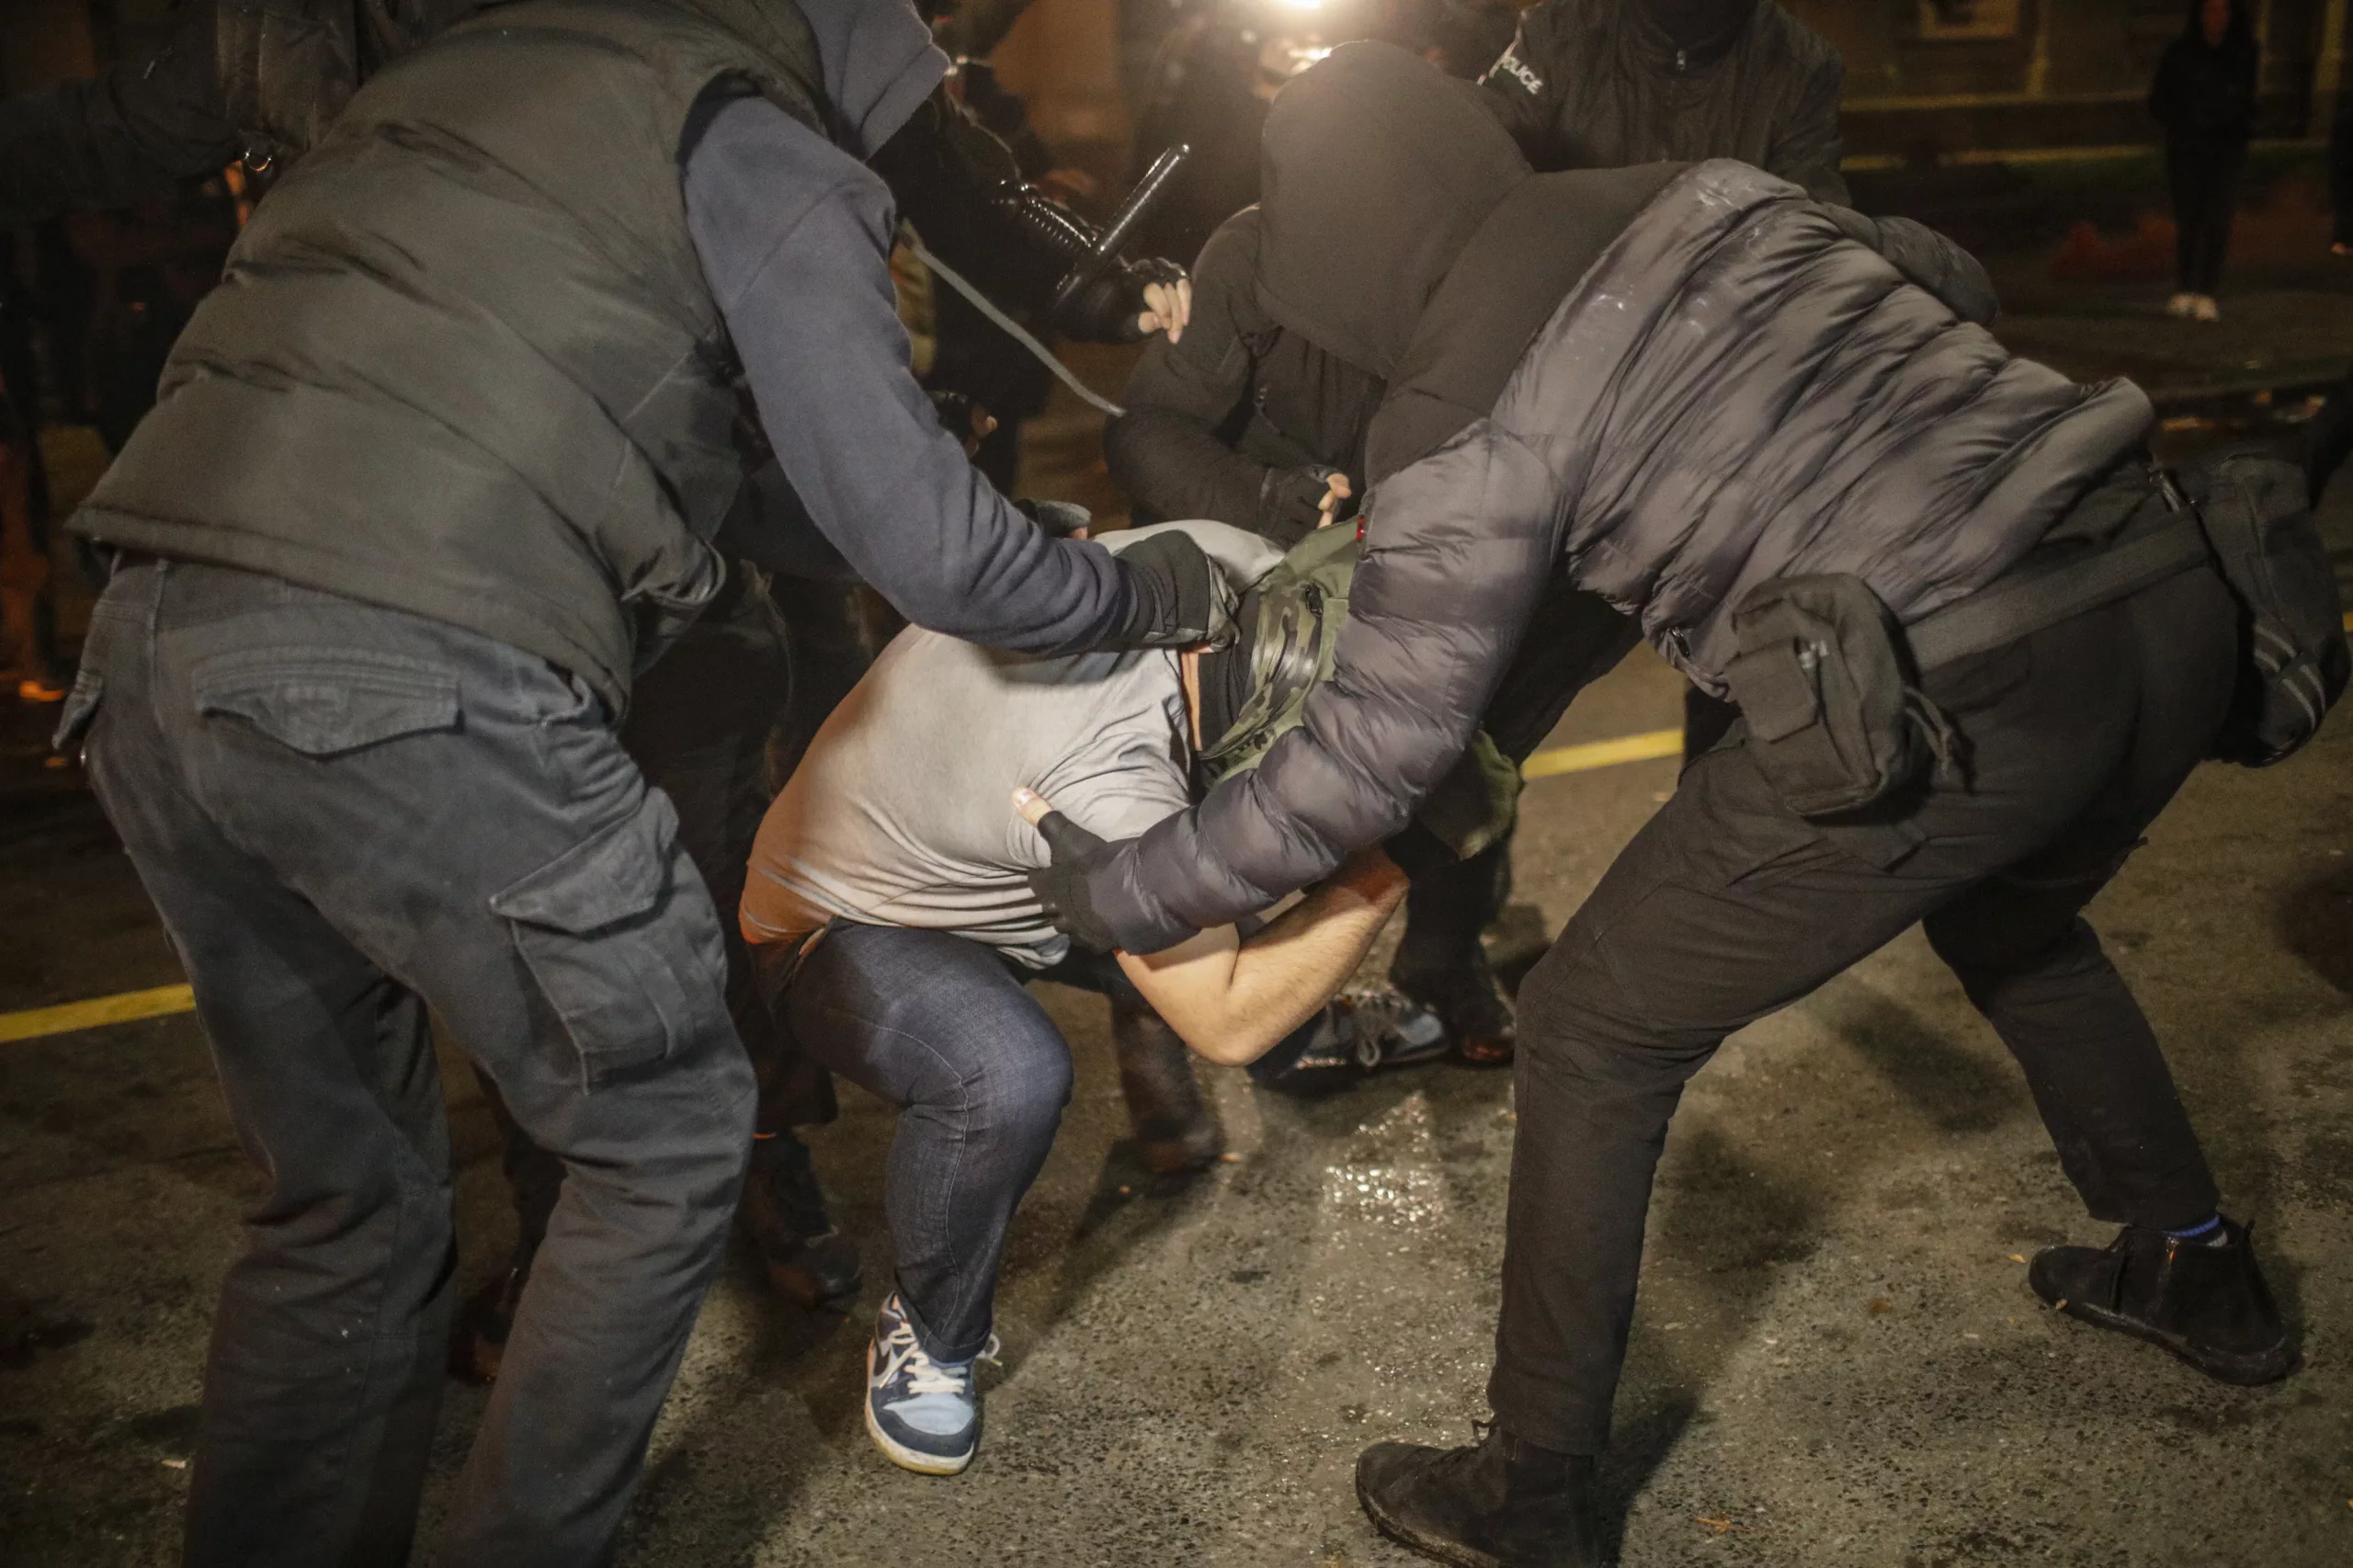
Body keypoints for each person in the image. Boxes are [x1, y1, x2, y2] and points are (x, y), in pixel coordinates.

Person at [1029, 47, 2303, 1566]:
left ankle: (1530, 1491)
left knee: (1589, 1026)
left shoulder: (1463, 402)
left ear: (1337, 244)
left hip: (1973, 679)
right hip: (2164, 597)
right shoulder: (1711, 194)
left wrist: (1127, 887)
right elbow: (1946, 271)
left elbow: (1371, 756)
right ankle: (2199, 1265)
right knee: (2014, 922)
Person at [54, 2, 1233, 1562]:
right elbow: (942, 561)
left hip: (155, 650)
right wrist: (1144, 591)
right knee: (664, 1130)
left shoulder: (468, 75)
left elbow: (693, 465)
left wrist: (942, 508)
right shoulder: (758, 138)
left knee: (344, 1209)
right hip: (423, 660)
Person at [742, 519, 1471, 1474]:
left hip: (984, 850)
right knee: (1007, 1072)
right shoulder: (1111, 788)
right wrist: (1387, 865)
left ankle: (1307, 1028)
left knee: (1235, 868)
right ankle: (931, 1327)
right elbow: (1225, 1024)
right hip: (837, 919)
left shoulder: (1226, 561)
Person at [1103, 68, 1563, 1067]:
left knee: (1464, 751)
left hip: (1387, 564)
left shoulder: (1467, 285)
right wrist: (1269, 499)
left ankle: (1444, 958)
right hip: (1243, 575)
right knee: (1204, 823)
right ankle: (1209, 1030)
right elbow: (1145, 433)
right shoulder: (1250, 257)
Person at [1477, 0, 1847, 203]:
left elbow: (1809, 236)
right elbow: (1483, 164)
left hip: (1721, 314)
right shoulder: (1558, 32)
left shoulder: (1803, 68)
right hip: (1567, 303)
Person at [2149, 0, 2258, 323]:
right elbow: (2159, 99)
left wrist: (2233, 124)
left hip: (2224, 149)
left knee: (2217, 219)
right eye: (2210, 10)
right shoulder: (2180, 54)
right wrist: (2182, 122)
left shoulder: (2243, 54)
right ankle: (2185, 287)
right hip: (2187, 148)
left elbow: (2245, 99)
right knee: (2189, 219)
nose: (2216, 18)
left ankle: (2207, 292)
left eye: (2222, 11)